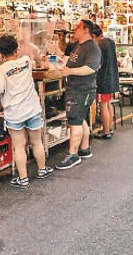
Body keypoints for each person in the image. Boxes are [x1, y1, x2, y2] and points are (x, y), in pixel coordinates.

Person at [0, 35, 53, 188]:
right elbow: (35, 64)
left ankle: (23, 179)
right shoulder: (26, 61)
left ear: (1, 53)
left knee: (19, 146)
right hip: (32, 109)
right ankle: (41, 170)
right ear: (16, 49)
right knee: (36, 142)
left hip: (14, 113)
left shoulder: (2, 69)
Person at [55, 20, 102, 170]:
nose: (74, 29)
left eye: (77, 27)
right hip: (75, 88)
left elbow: (90, 68)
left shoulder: (93, 48)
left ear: (86, 30)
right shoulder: (78, 45)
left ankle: (73, 155)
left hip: (82, 89)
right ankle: (85, 148)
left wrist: (70, 71)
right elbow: (65, 50)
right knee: (80, 118)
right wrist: (61, 39)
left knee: (75, 120)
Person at [92, 25, 119, 139]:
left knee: (103, 105)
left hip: (103, 79)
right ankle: (110, 127)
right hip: (112, 78)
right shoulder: (111, 42)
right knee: (108, 104)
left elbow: (98, 64)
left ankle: (106, 131)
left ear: (94, 36)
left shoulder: (99, 45)